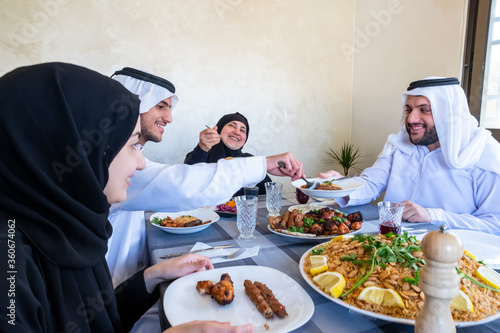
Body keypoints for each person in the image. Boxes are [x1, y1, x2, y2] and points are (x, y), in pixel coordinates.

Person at [0, 63, 256, 333]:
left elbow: (97, 317)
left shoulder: (71, 225)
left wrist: (152, 274)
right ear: (79, 146)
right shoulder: (10, 261)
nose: (142, 163)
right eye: (132, 144)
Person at [107, 68, 303, 331]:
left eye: (243, 128)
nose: (170, 117)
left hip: (126, 294)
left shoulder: (247, 158)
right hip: (113, 304)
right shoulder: (109, 165)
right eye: (161, 106)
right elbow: (184, 182)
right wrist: (262, 163)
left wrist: (153, 274)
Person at [320, 77, 500, 234]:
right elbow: (371, 183)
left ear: (448, 115)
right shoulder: (398, 145)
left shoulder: (481, 152)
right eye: (408, 109)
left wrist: (432, 215)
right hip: (391, 248)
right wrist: (340, 186)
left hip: (453, 258)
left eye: (424, 110)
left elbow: (495, 224)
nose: (411, 119)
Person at [184, 112, 272, 196]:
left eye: (242, 130)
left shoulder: (249, 161)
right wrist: (202, 148)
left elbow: (271, 191)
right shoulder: (200, 153)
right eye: (232, 126)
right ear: (219, 129)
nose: (237, 132)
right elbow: (187, 184)